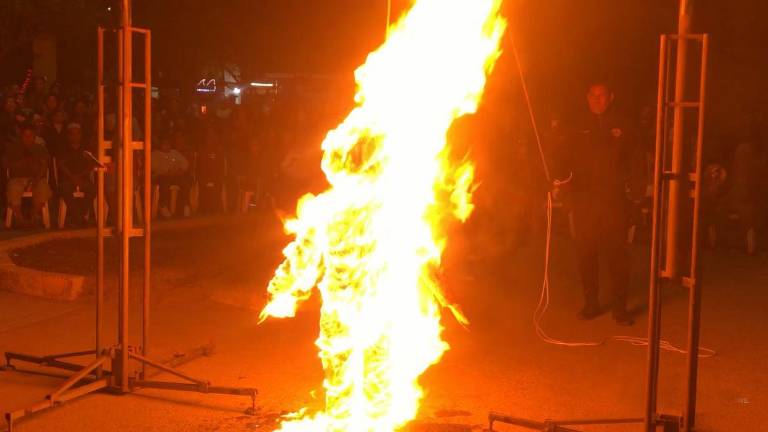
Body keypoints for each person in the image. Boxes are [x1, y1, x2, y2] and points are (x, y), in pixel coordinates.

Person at [558, 82, 643, 326]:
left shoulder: (625, 125)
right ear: (587, 98)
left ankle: (620, 308)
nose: (598, 100)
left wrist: (636, 196)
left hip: (614, 201)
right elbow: (564, 161)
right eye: (593, 95)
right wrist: (564, 191)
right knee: (586, 255)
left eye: (602, 95)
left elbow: (637, 161)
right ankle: (591, 304)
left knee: (618, 256)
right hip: (584, 201)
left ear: (611, 97)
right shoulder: (576, 127)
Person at [4, 124, 52, 227]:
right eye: (25, 135)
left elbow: (45, 166)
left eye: (30, 136)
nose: (27, 138)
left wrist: (36, 179)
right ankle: (19, 219)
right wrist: (21, 163)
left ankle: (33, 217)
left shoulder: (40, 149)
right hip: (17, 178)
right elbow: (6, 165)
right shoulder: (14, 148)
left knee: (43, 189)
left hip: (37, 178)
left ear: (34, 137)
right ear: (21, 136)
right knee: (13, 189)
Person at [57, 123, 96, 226]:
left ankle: (77, 217)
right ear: (68, 135)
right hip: (68, 180)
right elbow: (61, 165)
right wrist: (72, 177)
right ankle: (79, 218)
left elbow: (92, 164)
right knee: (64, 189)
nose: (75, 136)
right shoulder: (63, 148)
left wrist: (81, 176)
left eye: (77, 134)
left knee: (93, 189)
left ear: (81, 135)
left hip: (84, 179)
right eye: (72, 134)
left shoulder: (87, 149)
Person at [151, 134, 191, 218]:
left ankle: (186, 205)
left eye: (168, 143)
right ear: (160, 144)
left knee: (185, 183)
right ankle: (163, 206)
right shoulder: (155, 154)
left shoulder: (174, 153)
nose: (166, 145)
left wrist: (180, 170)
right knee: (164, 182)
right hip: (161, 177)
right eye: (164, 143)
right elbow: (154, 167)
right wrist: (167, 171)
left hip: (175, 176)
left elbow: (185, 164)